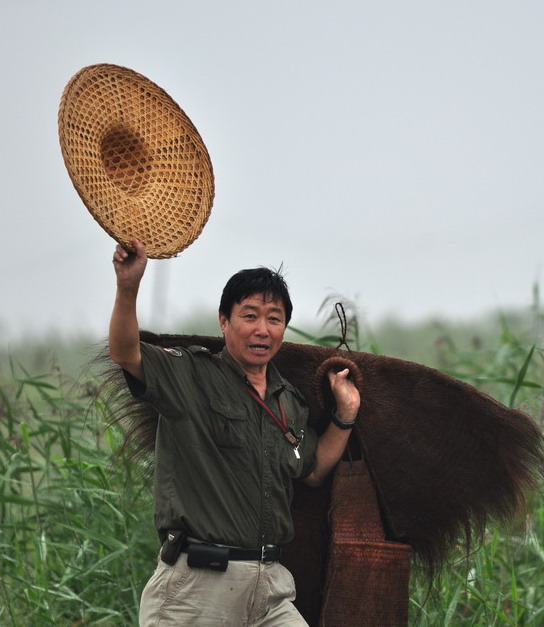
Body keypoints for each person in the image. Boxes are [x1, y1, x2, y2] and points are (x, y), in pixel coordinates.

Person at [109, 238, 361, 626]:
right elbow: (127, 353)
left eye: (274, 319)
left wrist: (345, 414)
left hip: (270, 590)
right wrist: (128, 287)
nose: (263, 329)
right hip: (196, 592)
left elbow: (312, 469)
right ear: (224, 321)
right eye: (250, 316)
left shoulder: (287, 400)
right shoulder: (191, 375)